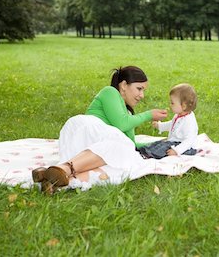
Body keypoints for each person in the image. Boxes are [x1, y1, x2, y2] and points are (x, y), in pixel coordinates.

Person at [32, 66, 168, 194]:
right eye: (139, 89)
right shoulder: (110, 92)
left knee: (123, 162)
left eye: (143, 90)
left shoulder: (127, 114)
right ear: (124, 85)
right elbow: (121, 124)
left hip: (92, 149)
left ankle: (52, 179)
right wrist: (148, 115)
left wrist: (160, 144)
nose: (142, 95)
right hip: (83, 130)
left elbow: (131, 144)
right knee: (122, 149)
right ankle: (64, 169)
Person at [139, 83, 198, 159]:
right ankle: (145, 150)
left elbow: (189, 141)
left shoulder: (189, 122)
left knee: (164, 148)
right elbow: (172, 124)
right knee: (159, 143)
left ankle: (149, 154)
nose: (170, 105)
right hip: (173, 142)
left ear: (183, 106)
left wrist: (177, 150)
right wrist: (159, 125)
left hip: (184, 147)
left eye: (172, 103)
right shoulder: (179, 115)